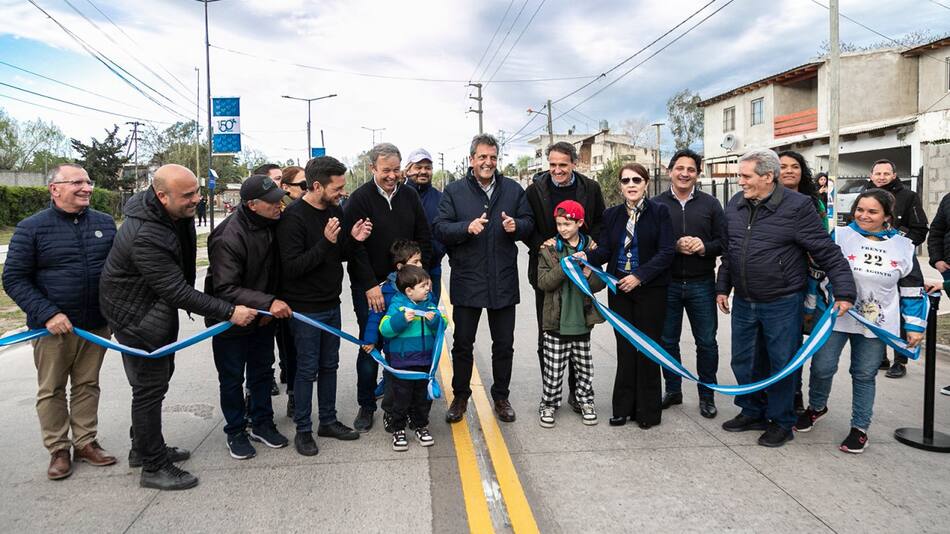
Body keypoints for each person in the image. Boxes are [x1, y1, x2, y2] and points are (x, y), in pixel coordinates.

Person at [100, 164, 258, 490]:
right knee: (148, 389)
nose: (196, 199)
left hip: (153, 312)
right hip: (137, 319)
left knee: (155, 385)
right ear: (161, 195)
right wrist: (230, 311)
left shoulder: (170, 215)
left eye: (197, 192)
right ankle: (154, 466)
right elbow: (176, 291)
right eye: (188, 195)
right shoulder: (146, 234)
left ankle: (142, 448)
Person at [716, 149, 856, 448]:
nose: (739, 181)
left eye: (745, 176)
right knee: (744, 360)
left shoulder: (798, 206)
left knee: (782, 363)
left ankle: (781, 421)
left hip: (781, 302)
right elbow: (730, 252)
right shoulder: (735, 205)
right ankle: (752, 411)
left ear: (768, 177)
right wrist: (722, 287)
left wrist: (844, 291)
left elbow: (826, 250)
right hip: (744, 300)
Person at [2, 163, 118, 480]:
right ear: (55, 189)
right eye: (77, 182)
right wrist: (48, 313)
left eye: (89, 181)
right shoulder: (32, 228)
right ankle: (58, 449)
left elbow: (117, 271)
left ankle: (85, 442)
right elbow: (13, 278)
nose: (87, 188)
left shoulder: (105, 224)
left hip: (96, 325)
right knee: (52, 389)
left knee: (87, 385)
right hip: (51, 328)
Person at [794, 189, 926, 453]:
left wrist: (914, 326)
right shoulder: (840, 236)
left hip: (877, 323)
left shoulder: (903, 246)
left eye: (872, 212)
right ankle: (816, 407)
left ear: (887, 216)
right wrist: (810, 307)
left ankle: (860, 427)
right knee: (822, 367)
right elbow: (816, 274)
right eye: (860, 209)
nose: (864, 216)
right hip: (836, 317)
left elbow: (912, 288)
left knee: (864, 374)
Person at [434, 134, 534, 423]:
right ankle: (460, 397)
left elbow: (529, 223)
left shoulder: (513, 190)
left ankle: (501, 397)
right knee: (463, 343)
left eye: (492, 157)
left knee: (504, 344)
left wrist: (517, 226)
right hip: (468, 280)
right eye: (482, 157)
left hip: (503, 280)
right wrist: (467, 227)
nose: (487, 162)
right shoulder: (453, 191)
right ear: (471, 160)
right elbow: (440, 228)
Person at [277, 156, 372, 456]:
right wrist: (325, 243)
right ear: (316, 186)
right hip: (305, 308)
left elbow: (338, 252)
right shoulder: (292, 218)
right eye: (338, 187)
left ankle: (327, 421)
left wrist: (353, 240)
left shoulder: (334, 210)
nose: (343, 193)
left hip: (331, 302)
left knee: (330, 364)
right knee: (307, 369)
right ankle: (303, 430)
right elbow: (291, 267)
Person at [342, 143, 432, 433]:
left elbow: (424, 238)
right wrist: (371, 285)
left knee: (404, 341)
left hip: (405, 287)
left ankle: (403, 402)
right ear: (372, 169)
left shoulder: (409, 196)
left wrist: (417, 278)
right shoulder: (358, 199)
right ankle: (366, 405)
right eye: (386, 171)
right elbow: (354, 249)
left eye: (396, 169)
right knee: (371, 344)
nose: (392, 176)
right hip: (371, 289)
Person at [205, 174, 292, 460]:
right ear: (253, 205)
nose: (279, 205)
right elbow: (225, 287)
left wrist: (268, 309)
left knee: (261, 372)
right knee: (231, 378)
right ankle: (235, 430)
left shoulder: (274, 224)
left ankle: (262, 423)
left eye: (280, 199)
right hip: (230, 319)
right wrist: (269, 301)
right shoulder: (228, 235)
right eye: (272, 202)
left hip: (263, 318)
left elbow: (277, 269)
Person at [584, 163, 673, 429]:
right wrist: (585, 257)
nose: (631, 185)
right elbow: (606, 251)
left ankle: (647, 411)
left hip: (650, 290)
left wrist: (640, 276)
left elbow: (667, 251)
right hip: (620, 289)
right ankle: (622, 408)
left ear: (646, 183)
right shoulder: (612, 215)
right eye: (625, 181)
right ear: (620, 185)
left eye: (636, 180)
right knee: (625, 350)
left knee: (647, 349)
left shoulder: (660, 212)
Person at [526, 142, 606, 414]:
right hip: (549, 269)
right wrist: (543, 244)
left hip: (581, 271)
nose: (557, 170)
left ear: (573, 163)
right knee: (548, 334)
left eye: (562, 164)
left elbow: (599, 224)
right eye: (552, 165)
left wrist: (590, 251)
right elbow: (529, 227)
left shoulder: (590, 188)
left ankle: (578, 394)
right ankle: (551, 394)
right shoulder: (536, 190)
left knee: (578, 334)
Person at [654, 149, 724, 419]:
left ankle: (707, 396)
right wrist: (674, 247)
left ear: (698, 173)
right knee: (667, 340)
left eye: (691, 169)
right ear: (670, 171)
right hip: (667, 284)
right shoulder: (657, 204)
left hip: (702, 284)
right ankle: (673, 390)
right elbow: (649, 243)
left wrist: (703, 247)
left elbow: (723, 241)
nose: (685, 173)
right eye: (679, 168)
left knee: (706, 342)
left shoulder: (711, 204)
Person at [535, 200, 606, 428]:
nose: (563, 228)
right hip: (556, 322)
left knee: (584, 368)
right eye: (559, 224)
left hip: (582, 322)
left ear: (580, 223)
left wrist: (587, 273)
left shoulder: (592, 249)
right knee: (554, 369)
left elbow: (599, 283)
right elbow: (544, 282)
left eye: (568, 224)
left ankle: (585, 400)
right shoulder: (548, 249)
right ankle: (549, 403)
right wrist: (563, 266)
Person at [864, 159, 929, 378]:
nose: (881, 177)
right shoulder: (864, 196)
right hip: (870, 261)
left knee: (901, 309)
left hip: (899, 263)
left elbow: (920, 230)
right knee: (872, 306)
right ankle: (879, 356)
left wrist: (898, 244)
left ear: (894, 175)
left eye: (886, 173)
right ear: (871, 175)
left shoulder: (908, 197)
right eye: (877, 173)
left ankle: (900, 359)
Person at [778, 149, 826, 414]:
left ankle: (804, 396)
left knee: (802, 341)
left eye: (794, 166)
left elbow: (821, 241)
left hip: (809, 281)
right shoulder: (767, 200)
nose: (788, 171)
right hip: (779, 281)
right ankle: (786, 392)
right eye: (782, 166)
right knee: (785, 342)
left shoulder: (813, 203)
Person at [361, 240, 424, 433]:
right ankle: (391, 414)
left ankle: (415, 415)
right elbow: (375, 316)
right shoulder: (386, 290)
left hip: (419, 350)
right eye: (416, 261)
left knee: (417, 386)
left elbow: (432, 311)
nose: (420, 265)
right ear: (400, 267)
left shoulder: (424, 287)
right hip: (395, 352)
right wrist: (370, 339)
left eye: (420, 261)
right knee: (394, 385)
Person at [379, 265, 444, 451]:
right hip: (403, 364)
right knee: (401, 399)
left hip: (425, 363)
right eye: (423, 286)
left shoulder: (429, 305)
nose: (428, 289)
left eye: (427, 285)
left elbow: (442, 324)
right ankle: (398, 429)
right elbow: (385, 329)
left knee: (422, 399)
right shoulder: (396, 307)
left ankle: (420, 426)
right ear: (409, 291)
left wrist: (435, 320)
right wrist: (400, 320)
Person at [275, 165, 306, 417]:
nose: (309, 189)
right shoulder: (279, 214)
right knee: (287, 349)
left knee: (295, 351)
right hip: (276, 292)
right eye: (303, 185)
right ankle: (293, 396)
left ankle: (294, 391)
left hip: (298, 294)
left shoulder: (300, 211)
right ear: (286, 188)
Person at [404, 148, 446, 303]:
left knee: (430, 316)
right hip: (403, 271)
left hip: (432, 269)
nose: (423, 171)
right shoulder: (398, 194)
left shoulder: (440, 198)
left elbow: (444, 229)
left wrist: (437, 251)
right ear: (408, 170)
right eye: (418, 167)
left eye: (427, 168)